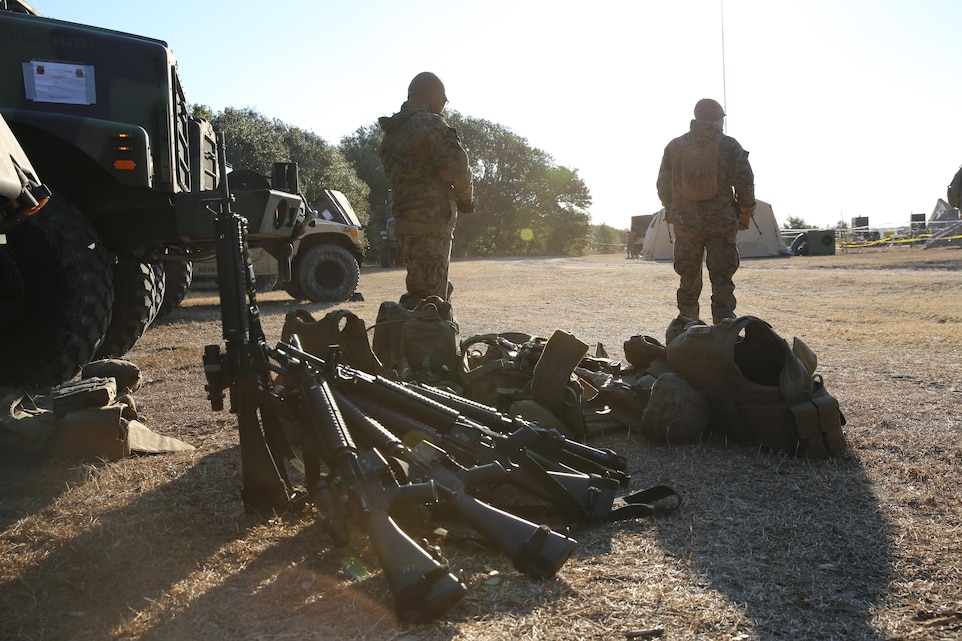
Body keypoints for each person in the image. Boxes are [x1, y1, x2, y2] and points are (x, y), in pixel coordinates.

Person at [378, 71, 474, 308]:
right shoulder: (429, 124)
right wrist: (466, 199)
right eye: (443, 100)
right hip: (431, 223)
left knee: (424, 287)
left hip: (405, 222)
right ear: (433, 97)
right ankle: (421, 341)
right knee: (428, 301)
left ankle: (418, 336)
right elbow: (458, 167)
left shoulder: (393, 132)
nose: (444, 107)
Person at [656, 98, 756, 325]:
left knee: (688, 280)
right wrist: (744, 214)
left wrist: (673, 210)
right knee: (722, 281)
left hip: (687, 223)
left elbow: (663, 186)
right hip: (721, 223)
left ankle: (687, 332)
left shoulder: (675, 147)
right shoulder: (729, 145)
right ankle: (723, 333)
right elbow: (745, 184)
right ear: (719, 119)